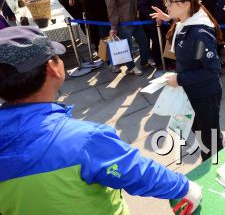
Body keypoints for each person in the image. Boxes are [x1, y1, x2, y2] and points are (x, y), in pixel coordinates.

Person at [0, 27, 202, 214]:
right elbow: (138, 172)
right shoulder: (84, 140)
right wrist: (184, 187)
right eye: (56, 57)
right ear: (53, 69)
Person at [150, 0, 223, 161]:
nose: (166, 6)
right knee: (197, 128)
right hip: (191, 90)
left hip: (204, 93)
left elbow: (212, 70)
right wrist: (168, 18)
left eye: (169, 2)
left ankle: (215, 164)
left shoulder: (199, 34)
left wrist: (180, 79)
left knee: (210, 136)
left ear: (186, 4)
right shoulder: (187, 20)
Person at [104, 0, 151, 76]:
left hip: (136, 20)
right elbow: (111, 10)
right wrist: (114, 27)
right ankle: (131, 67)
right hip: (123, 23)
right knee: (127, 47)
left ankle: (144, 62)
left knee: (144, 41)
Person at [137, 0, 166, 69]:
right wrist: (155, 15)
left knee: (165, 39)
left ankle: (167, 60)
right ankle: (159, 63)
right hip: (152, 20)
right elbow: (141, 6)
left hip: (165, 18)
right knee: (156, 42)